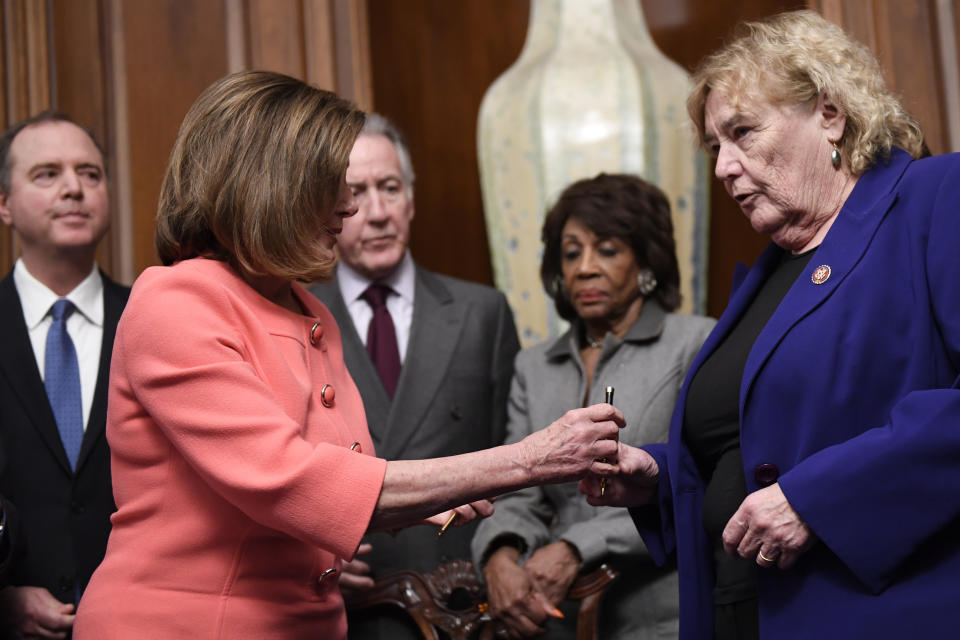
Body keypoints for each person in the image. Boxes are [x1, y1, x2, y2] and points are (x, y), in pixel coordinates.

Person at [71, 70, 625, 640]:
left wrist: (434, 494)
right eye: (335, 183)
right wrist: (528, 459)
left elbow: (345, 476)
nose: (350, 207)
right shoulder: (175, 301)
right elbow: (294, 483)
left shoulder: (310, 311)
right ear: (268, 185)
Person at [579, 9, 960, 640]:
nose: (725, 167)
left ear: (830, 115)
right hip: (742, 610)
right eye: (714, 148)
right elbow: (758, 451)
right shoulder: (766, 274)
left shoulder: (934, 197)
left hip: (884, 614)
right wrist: (657, 477)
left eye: (743, 133)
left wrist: (820, 499)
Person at [472, 174, 714, 639]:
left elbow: (699, 482)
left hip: (660, 618)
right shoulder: (533, 366)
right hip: (551, 621)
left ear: (646, 262)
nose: (584, 268)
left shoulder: (697, 343)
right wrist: (500, 557)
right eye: (571, 252)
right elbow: (517, 490)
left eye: (606, 249)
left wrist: (576, 546)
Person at [308, 113, 520, 638]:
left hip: (460, 603)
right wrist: (309, 551)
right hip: (342, 605)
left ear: (412, 199)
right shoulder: (297, 317)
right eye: (355, 192)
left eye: (390, 188)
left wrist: (504, 555)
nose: (377, 212)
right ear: (328, 209)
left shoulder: (481, 313)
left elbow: (515, 457)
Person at [0, 111, 129, 638]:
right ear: (4, 204)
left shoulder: (155, 319)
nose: (74, 188)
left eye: (90, 173)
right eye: (47, 174)